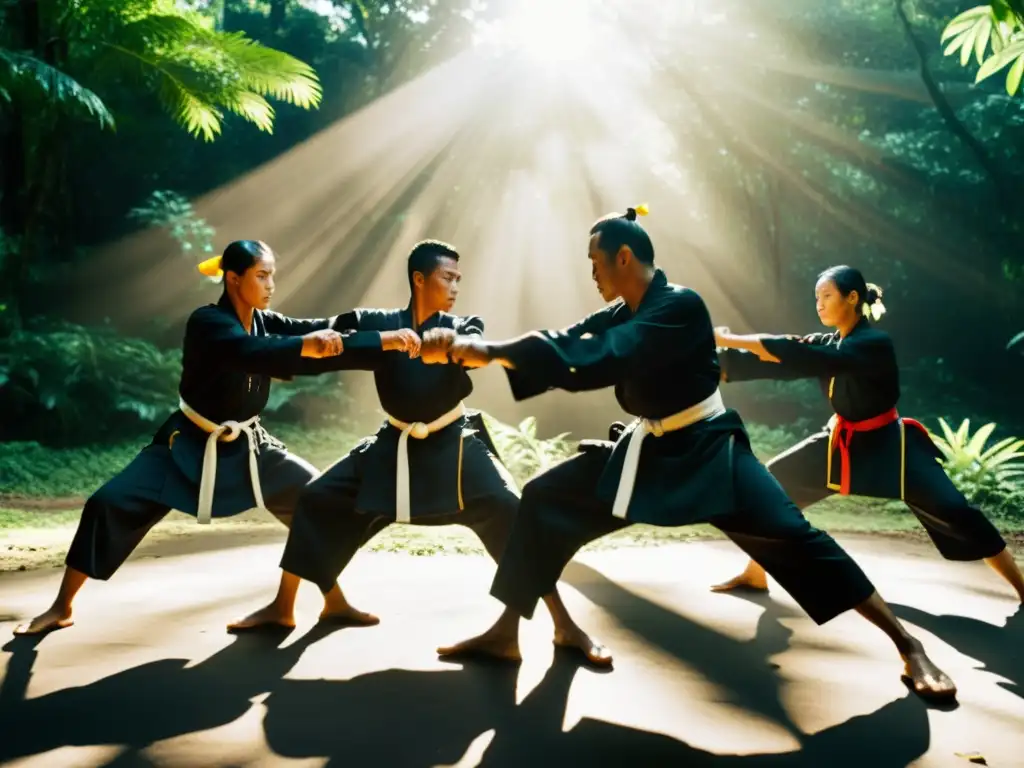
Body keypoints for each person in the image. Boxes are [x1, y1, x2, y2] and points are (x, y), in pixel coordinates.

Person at [422, 207, 957, 699]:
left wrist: (495, 353)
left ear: (624, 257)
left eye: (595, 262)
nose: (592, 274)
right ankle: (511, 632)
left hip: (709, 450)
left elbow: (607, 356)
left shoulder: (680, 305)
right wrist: (499, 356)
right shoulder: (621, 309)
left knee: (797, 537)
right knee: (543, 497)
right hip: (646, 449)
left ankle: (908, 645)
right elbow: (572, 338)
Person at [227, 240, 610, 664]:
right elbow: (318, 330)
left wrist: (453, 343)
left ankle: (561, 626)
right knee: (317, 498)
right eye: (448, 277)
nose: (455, 286)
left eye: (458, 279)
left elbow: (472, 348)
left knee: (511, 512)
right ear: (419, 279)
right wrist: (243, 318)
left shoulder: (465, 324)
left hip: (455, 443)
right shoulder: (378, 322)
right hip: (391, 444)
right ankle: (285, 609)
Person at [13, 240, 419, 636]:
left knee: (314, 502)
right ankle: (61, 606)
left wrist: (386, 333)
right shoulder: (207, 323)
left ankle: (313, 604)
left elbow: (321, 329)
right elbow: (254, 353)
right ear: (232, 278)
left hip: (250, 445)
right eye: (262, 276)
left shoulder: (264, 320)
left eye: (272, 276)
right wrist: (311, 347)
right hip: (186, 443)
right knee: (108, 503)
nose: (271, 285)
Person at [709, 265, 1024, 602]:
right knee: (773, 485)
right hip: (842, 444)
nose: (819, 304)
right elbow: (784, 357)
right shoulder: (828, 342)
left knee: (957, 512)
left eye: (826, 296)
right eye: (816, 298)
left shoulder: (874, 343)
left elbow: (804, 355)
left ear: (853, 297)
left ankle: (1022, 587)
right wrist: (710, 360)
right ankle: (756, 572)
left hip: (892, 448)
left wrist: (727, 337)